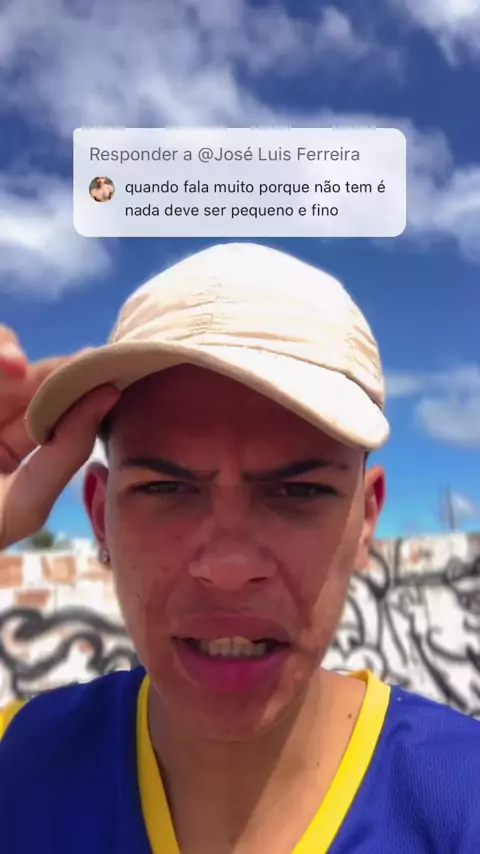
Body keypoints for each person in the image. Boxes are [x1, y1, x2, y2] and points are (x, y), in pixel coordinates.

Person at [0, 242, 479, 854]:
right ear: (100, 517)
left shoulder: (462, 797)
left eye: (299, 490)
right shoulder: (18, 761)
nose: (228, 569)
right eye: (166, 488)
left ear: (366, 519)